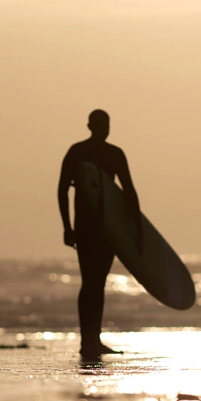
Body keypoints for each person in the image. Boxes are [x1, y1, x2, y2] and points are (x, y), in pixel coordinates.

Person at [58, 110, 142, 358]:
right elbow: (62, 189)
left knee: (96, 282)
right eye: (102, 124)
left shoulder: (100, 153)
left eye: (107, 124)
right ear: (91, 126)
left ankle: (93, 338)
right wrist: (66, 226)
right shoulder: (84, 152)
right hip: (93, 228)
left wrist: (136, 227)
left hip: (104, 228)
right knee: (91, 282)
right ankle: (88, 340)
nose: (105, 128)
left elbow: (128, 192)